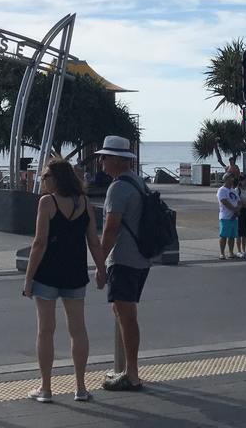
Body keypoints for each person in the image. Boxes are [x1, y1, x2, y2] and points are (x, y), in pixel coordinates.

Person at [22, 156, 106, 403]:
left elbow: (39, 244)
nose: (42, 180)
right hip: (75, 273)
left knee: (45, 330)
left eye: (45, 176)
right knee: (78, 329)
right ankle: (80, 387)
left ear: (56, 178)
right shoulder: (84, 203)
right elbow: (93, 241)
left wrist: (28, 279)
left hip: (47, 273)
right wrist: (102, 270)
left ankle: (46, 388)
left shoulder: (47, 203)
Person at [96, 135, 151, 392]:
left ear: (117, 159)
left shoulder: (117, 188)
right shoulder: (138, 182)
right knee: (124, 313)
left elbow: (111, 228)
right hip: (141, 256)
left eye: (105, 157)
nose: (101, 162)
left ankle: (132, 374)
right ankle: (128, 369)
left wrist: (98, 263)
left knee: (126, 315)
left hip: (123, 259)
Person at [217, 174, 241, 259]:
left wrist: (237, 211)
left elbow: (238, 201)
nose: (233, 179)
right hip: (225, 217)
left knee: (232, 236)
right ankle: (222, 253)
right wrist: (234, 209)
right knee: (223, 235)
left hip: (234, 217)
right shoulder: (222, 190)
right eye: (231, 178)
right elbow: (224, 201)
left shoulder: (233, 190)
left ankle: (231, 252)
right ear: (226, 179)